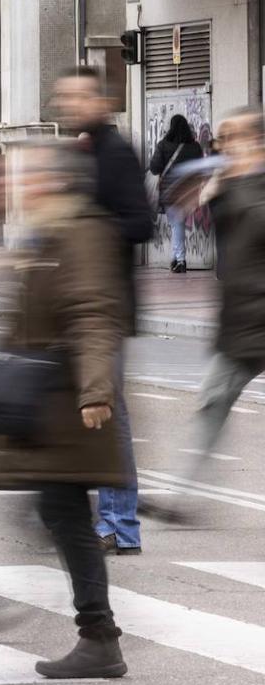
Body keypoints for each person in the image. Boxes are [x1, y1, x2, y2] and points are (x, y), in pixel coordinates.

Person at [0, 141, 127, 678]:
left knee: (65, 517)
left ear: (54, 182)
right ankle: (98, 635)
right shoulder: (43, 234)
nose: (15, 185)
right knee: (58, 515)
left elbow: (93, 314)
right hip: (48, 409)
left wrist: (95, 392)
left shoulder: (79, 233)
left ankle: (100, 638)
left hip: (67, 406)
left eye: (27, 176)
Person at [51, 66, 153, 556]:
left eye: (75, 97)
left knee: (106, 412)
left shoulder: (115, 153)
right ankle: (107, 520)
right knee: (93, 411)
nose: (66, 105)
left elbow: (140, 223)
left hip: (105, 307)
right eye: (62, 97)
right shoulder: (85, 150)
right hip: (84, 302)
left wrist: (90, 229)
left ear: (99, 100)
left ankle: (120, 525)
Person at [147, 107, 265, 521]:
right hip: (244, 322)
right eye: (223, 138)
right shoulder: (237, 185)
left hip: (254, 318)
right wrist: (218, 191)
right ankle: (179, 498)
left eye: (234, 137)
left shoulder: (256, 186)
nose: (224, 146)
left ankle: (179, 497)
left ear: (258, 142)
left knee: (212, 402)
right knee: (212, 403)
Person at [149, 114, 204, 272]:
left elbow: (154, 168)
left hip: (172, 193)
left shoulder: (163, 145)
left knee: (177, 225)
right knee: (176, 225)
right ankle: (175, 259)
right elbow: (200, 169)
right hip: (189, 192)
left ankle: (180, 260)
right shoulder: (195, 147)